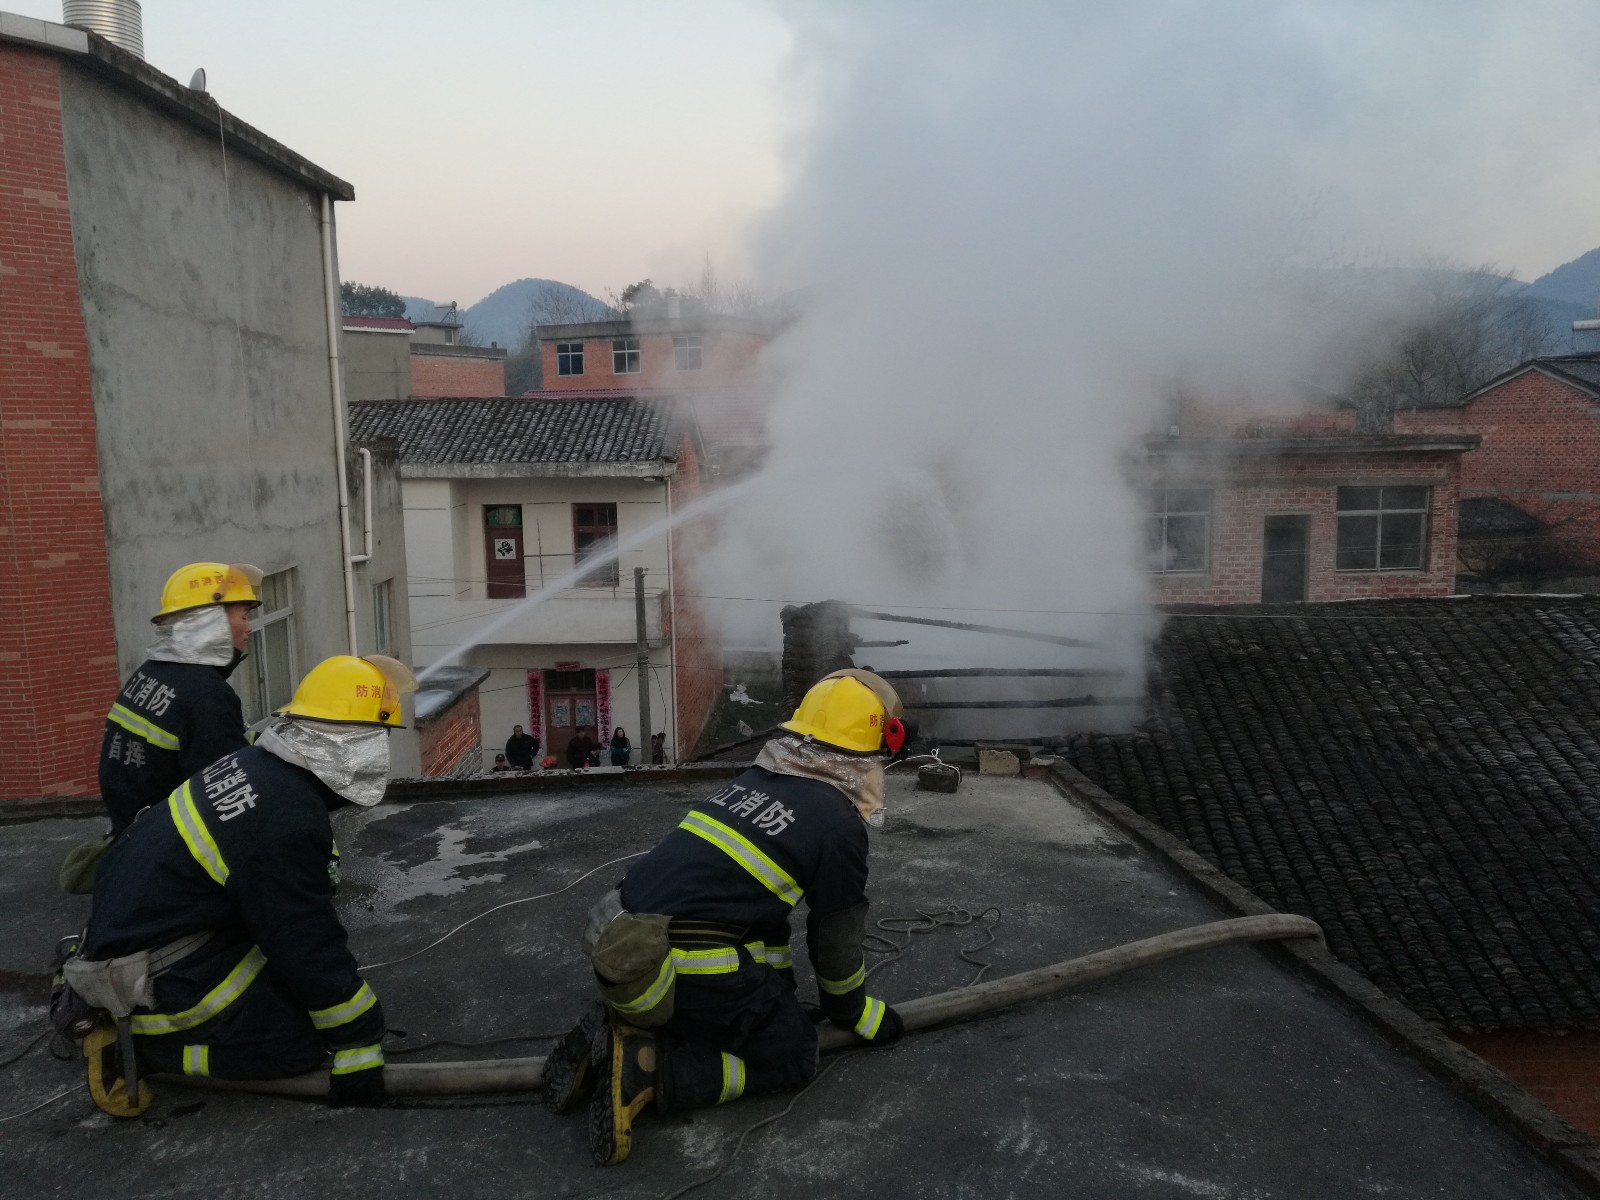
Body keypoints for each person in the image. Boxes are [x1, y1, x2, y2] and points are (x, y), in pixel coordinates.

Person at [543, 669, 914, 1165]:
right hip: (682, 962)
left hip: (623, 939)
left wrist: (777, 993)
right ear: (873, 745)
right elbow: (835, 939)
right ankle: (651, 1072)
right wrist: (857, 1015)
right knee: (793, 1055)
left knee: (752, 987)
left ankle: (627, 1018)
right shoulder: (838, 825)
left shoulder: (753, 781)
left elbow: (762, 918)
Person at [65, 654, 417, 1117]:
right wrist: (357, 1039)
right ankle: (147, 1052)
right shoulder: (284, 818)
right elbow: (301, 937)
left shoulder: (254, 764)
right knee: (294, 1046)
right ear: (356, 744)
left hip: (137, 939)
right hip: (151, 975)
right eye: (381, 736)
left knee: (288, 971)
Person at [97, 563, 263, 838]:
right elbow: (230, 791)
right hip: (172, 843)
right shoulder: (205, 694)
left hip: (131, 831)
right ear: (210, 623)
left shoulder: (153, 671)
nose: (249, 627)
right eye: (243, 616)